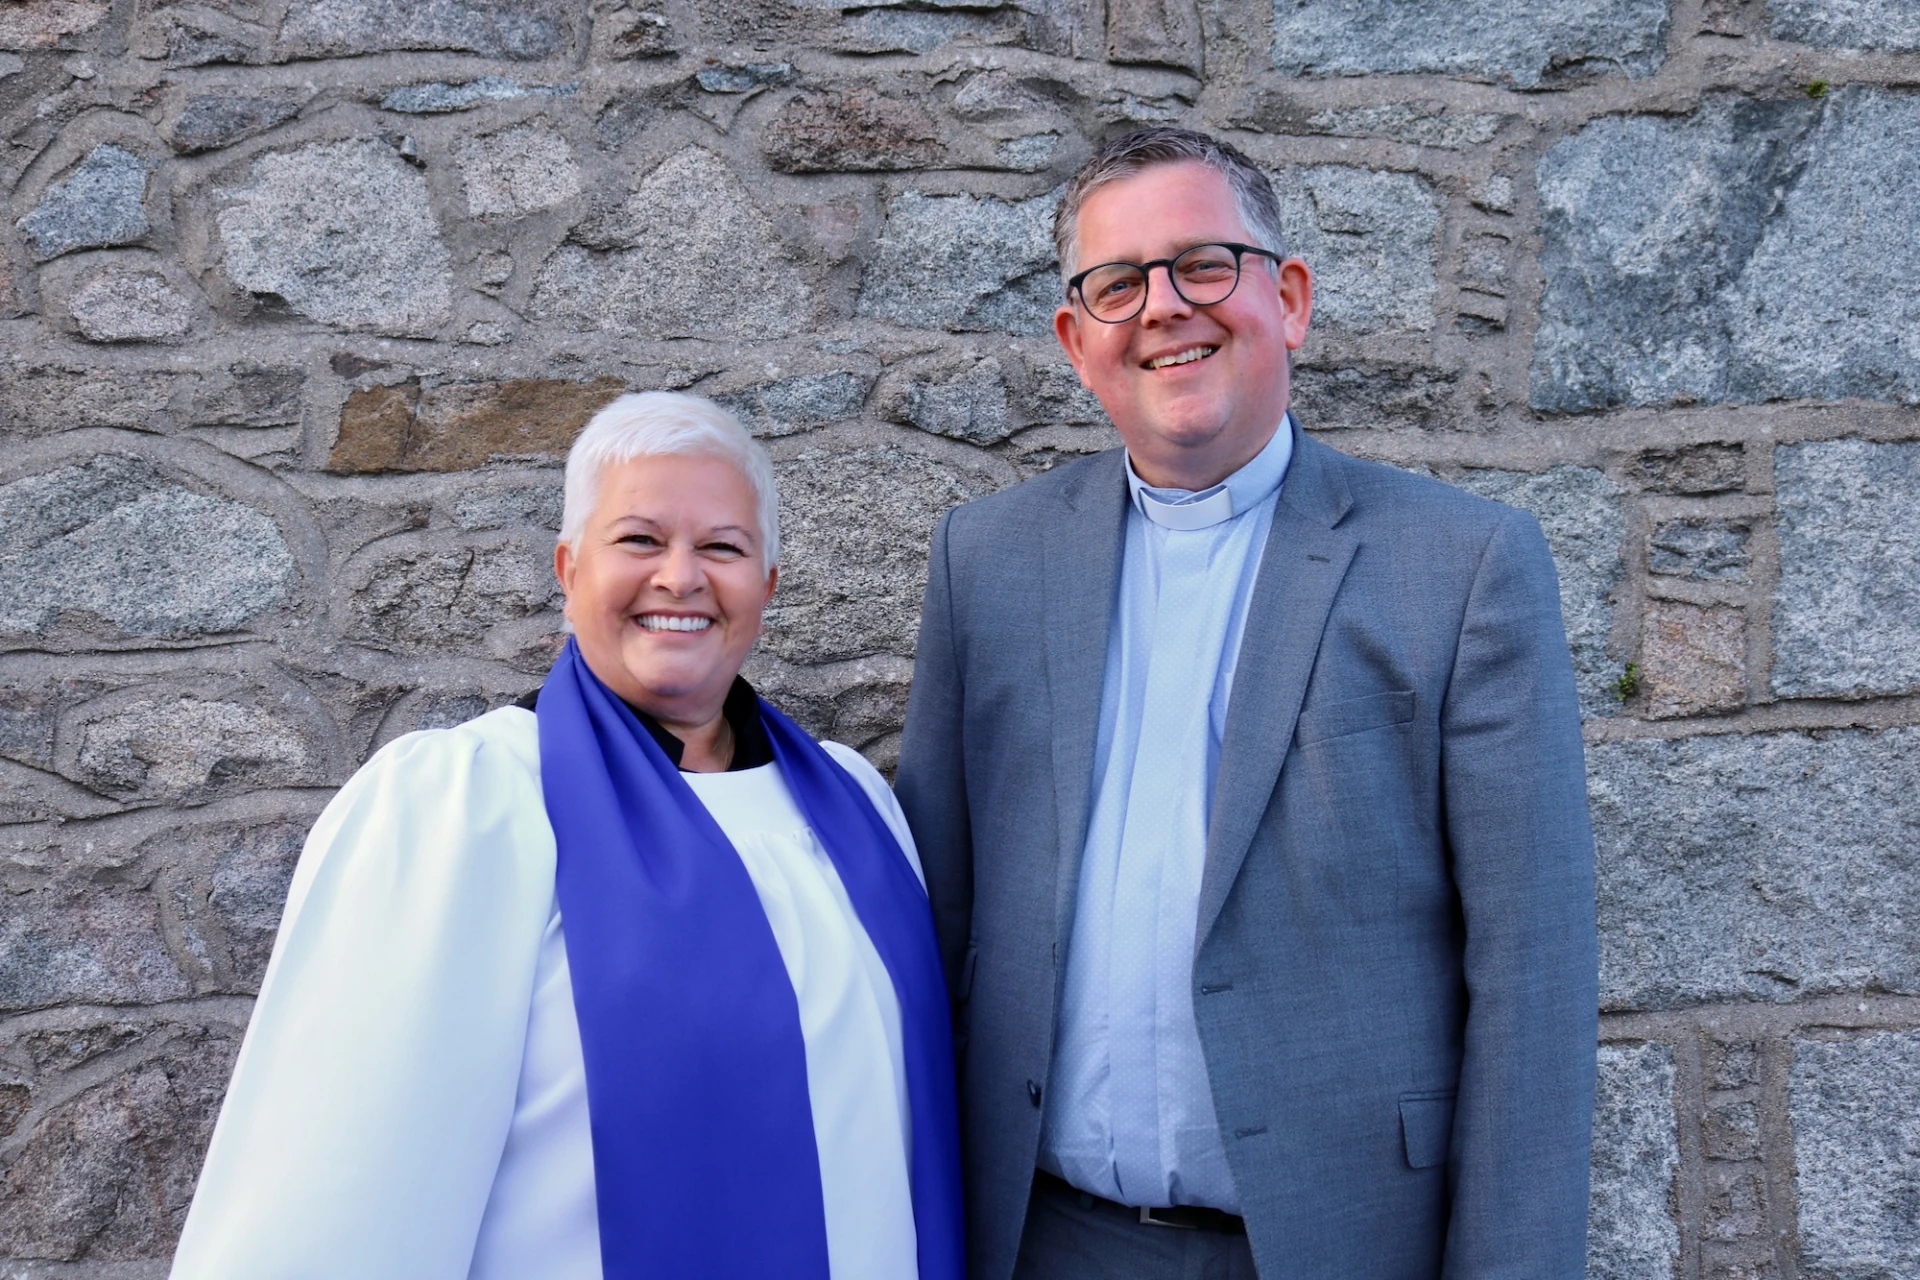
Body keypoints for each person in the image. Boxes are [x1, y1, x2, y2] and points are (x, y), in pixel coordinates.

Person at [895, 126, 1598, 1279]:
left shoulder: (1461, 565)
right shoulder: (989, 562)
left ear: (1292, 299)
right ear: (1079, 342)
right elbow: (939, 926)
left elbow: (1533, 974)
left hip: (1337, 1242)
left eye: (1203, 264)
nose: (1164, 306)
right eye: (1119, 283)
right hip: (1042, 1240)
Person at [171, 392, 964, 1280]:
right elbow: (338, 1199)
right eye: (639, 540)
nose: (681, 576)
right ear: (568, 567)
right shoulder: (468, 810)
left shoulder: (854, 807)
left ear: (767, 585)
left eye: (723, 547)